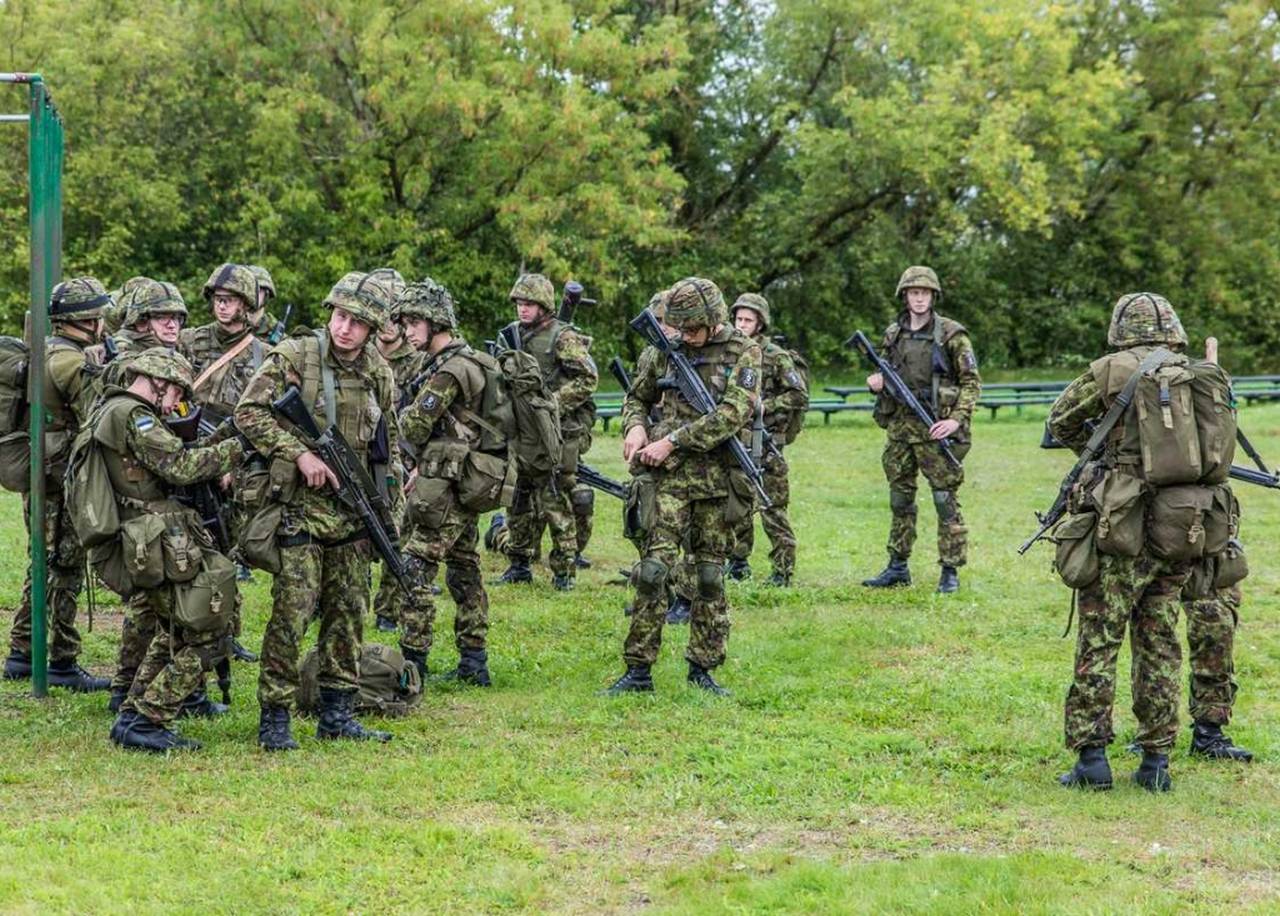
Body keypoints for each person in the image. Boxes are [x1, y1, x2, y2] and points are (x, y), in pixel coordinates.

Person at [1049, 291, 1219, 792]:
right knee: (1160, 640)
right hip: (1183, 522)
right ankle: (1156, 763)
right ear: (1171, 327)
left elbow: (1059, 421)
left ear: (1121, 328)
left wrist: (1105, 454)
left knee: (1100, 638)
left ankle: (1093, 760)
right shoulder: (1195, 375)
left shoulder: (1108, 371)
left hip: (1118, 522)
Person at [236, 270, 402, 751]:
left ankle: (338, 711)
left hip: (353, 513)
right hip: (301, 511)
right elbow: (248, 414)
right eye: (340, 316)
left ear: (373, 329)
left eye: (357, 322)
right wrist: (298, 453)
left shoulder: (378, 372)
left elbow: (385, 448)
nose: (344, 328)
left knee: (349, 613)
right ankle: (275, 717)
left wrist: (390, 514)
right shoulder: (295, 356)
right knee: (292, 613)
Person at [604, 277, 761, 696]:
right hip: (667, 480)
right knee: (652, 571)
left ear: (713, 320)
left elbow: (732, 414)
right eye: (680, 328)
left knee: (709, 576)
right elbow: (635, 397)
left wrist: (672, 440)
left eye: (693, 329)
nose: (686, 337)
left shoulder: (743, 352)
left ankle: (703, 669)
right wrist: (635, 428)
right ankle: (638, 670)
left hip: (716, 480)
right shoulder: (663, 349)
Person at [95, 349, 246, 751]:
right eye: (175, 388)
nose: (176, 399)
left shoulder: (111, 407)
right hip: (152, 537)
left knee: (174, 625)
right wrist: (237, 449)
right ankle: (148, 718)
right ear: (157, 380)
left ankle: (133, 714)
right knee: (210, 628)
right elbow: (180, 466)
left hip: (144, 537)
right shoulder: (135, 416)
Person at [2, 278, 112, 692]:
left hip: (43, 473)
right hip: (59, 478)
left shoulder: (49, 350)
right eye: (99, 316)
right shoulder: (71, 362)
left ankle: (23, 652)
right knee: (61, 566)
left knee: (45, 564)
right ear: (86, 321)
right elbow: (96, 417)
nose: (104, 324)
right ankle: (60, 659)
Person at [394, 279, 498, 686]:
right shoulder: (467, 359)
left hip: (449, 484)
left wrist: (400, 425)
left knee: (415, 567)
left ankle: (412, 662)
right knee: (464, 567)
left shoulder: (450, 370)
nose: (407, 330)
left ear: (437, 321)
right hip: (467, 480)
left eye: (414, 321)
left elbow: (416, 424)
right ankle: (475, 661)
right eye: (404, 322)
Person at [862, 266, 980, 594]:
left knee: (944, 499)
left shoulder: (952, 335)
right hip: (901, 429)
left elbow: (971, 382)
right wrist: (876, 383)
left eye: (924, 293)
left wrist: (956, 419)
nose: (919, 298)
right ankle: (898, 566)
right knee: (900, 499)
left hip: (935, 429)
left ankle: (950, 570)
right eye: (913, 293)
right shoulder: (893, 334)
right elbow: (884, 370)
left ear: (933, 297)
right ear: (905, 296)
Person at [181, 262, 267, 657]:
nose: (221, 306)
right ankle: (189, 627)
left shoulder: (263, 353)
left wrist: (234, 462)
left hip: (235, 459)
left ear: (247, 305)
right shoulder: (190, 342)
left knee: (227, 548)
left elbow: (261, 415)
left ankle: (226, 634)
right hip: (190, 455)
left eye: (230, 300)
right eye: (217, 299)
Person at [496, 273, 598, 591]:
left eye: (529, 304)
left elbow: (588, 378)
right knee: (517, 499)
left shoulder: (562, 337)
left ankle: (564, 571)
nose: (522, 310)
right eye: (519, 304)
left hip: (554, 432)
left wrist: (552, 403)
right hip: (520, 430)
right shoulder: (511, 335)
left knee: (555, 501)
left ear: (544, 306)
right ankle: (519, 563)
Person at [725, 293, 808, 586]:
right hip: (737, 440)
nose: (742, 324)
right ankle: (737, 563)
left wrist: (764, 406)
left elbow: (799, 395)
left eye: (748, 320)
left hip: (769, 442)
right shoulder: (730, 352)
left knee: (772, 507)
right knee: (737, 505)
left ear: (760, 323)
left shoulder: (775, 356)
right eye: (738, 318)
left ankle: (782, 571)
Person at [370, 269, 421, 634]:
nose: (388, 322)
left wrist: (420, 466)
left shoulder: (419, 358)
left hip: (402, 459)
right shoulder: (358, 351)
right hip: (356, 453)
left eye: (395, 314)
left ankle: (387, 609)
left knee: (398, 530)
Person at [246, 265, 280, 340]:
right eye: (249, 289)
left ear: (266, 295)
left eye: (258, 290)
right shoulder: (229, 327)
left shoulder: (276, 335)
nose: (253, 294)